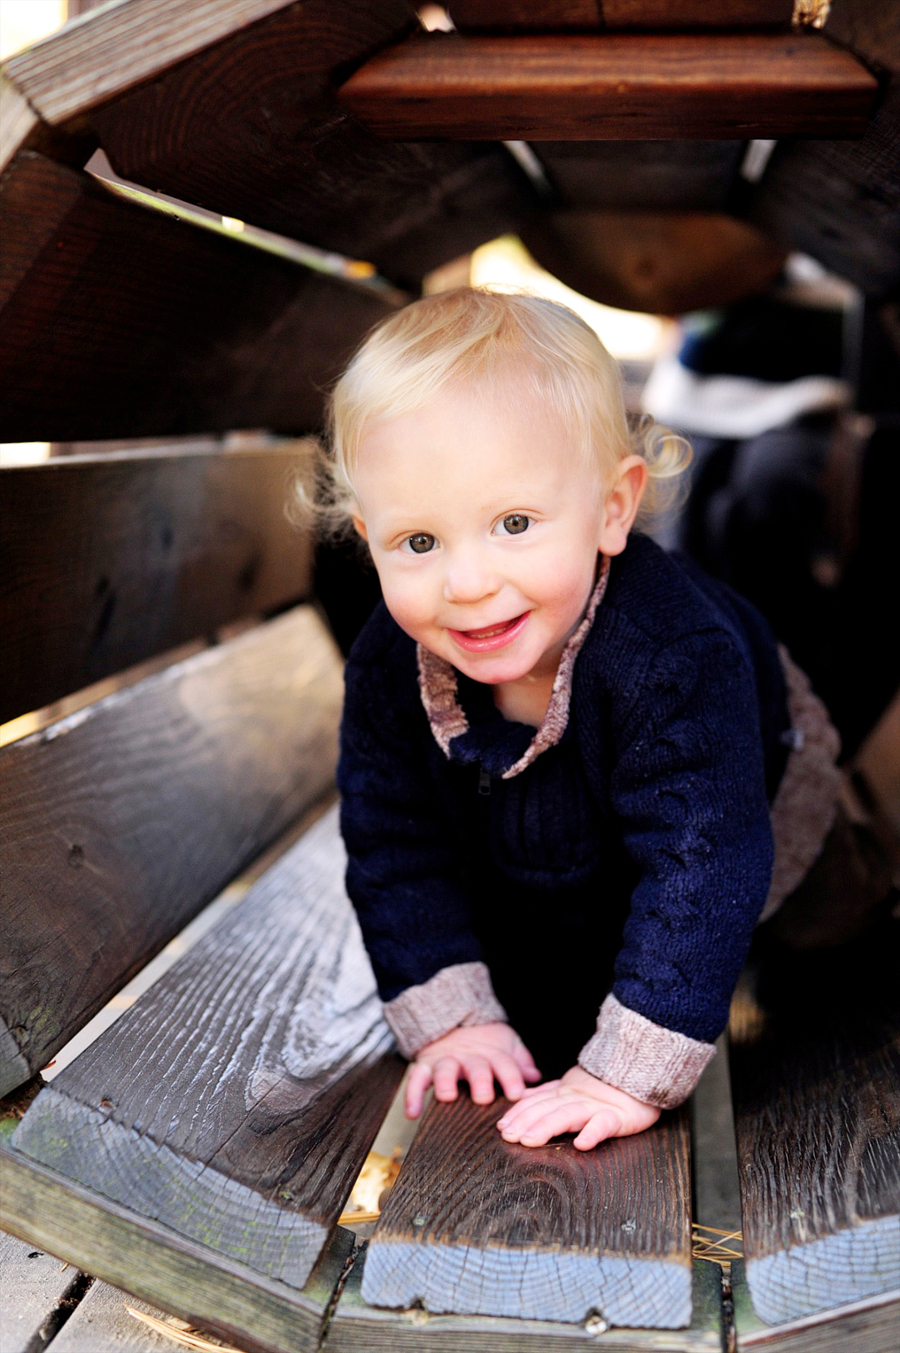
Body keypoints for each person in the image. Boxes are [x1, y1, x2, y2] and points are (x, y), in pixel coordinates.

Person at [313, 288, 841, 1152]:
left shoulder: (674, 653)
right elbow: (394, 837)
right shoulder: (388, 662)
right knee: (545, 997)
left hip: (756, 785)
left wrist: (626, 1071)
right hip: (544, 833)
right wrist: (454, 1019)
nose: (468, 581)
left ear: (612, 508)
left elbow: (703, 858)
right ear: (367, 535)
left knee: (823, 943)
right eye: (418, 542)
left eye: (514, 523)